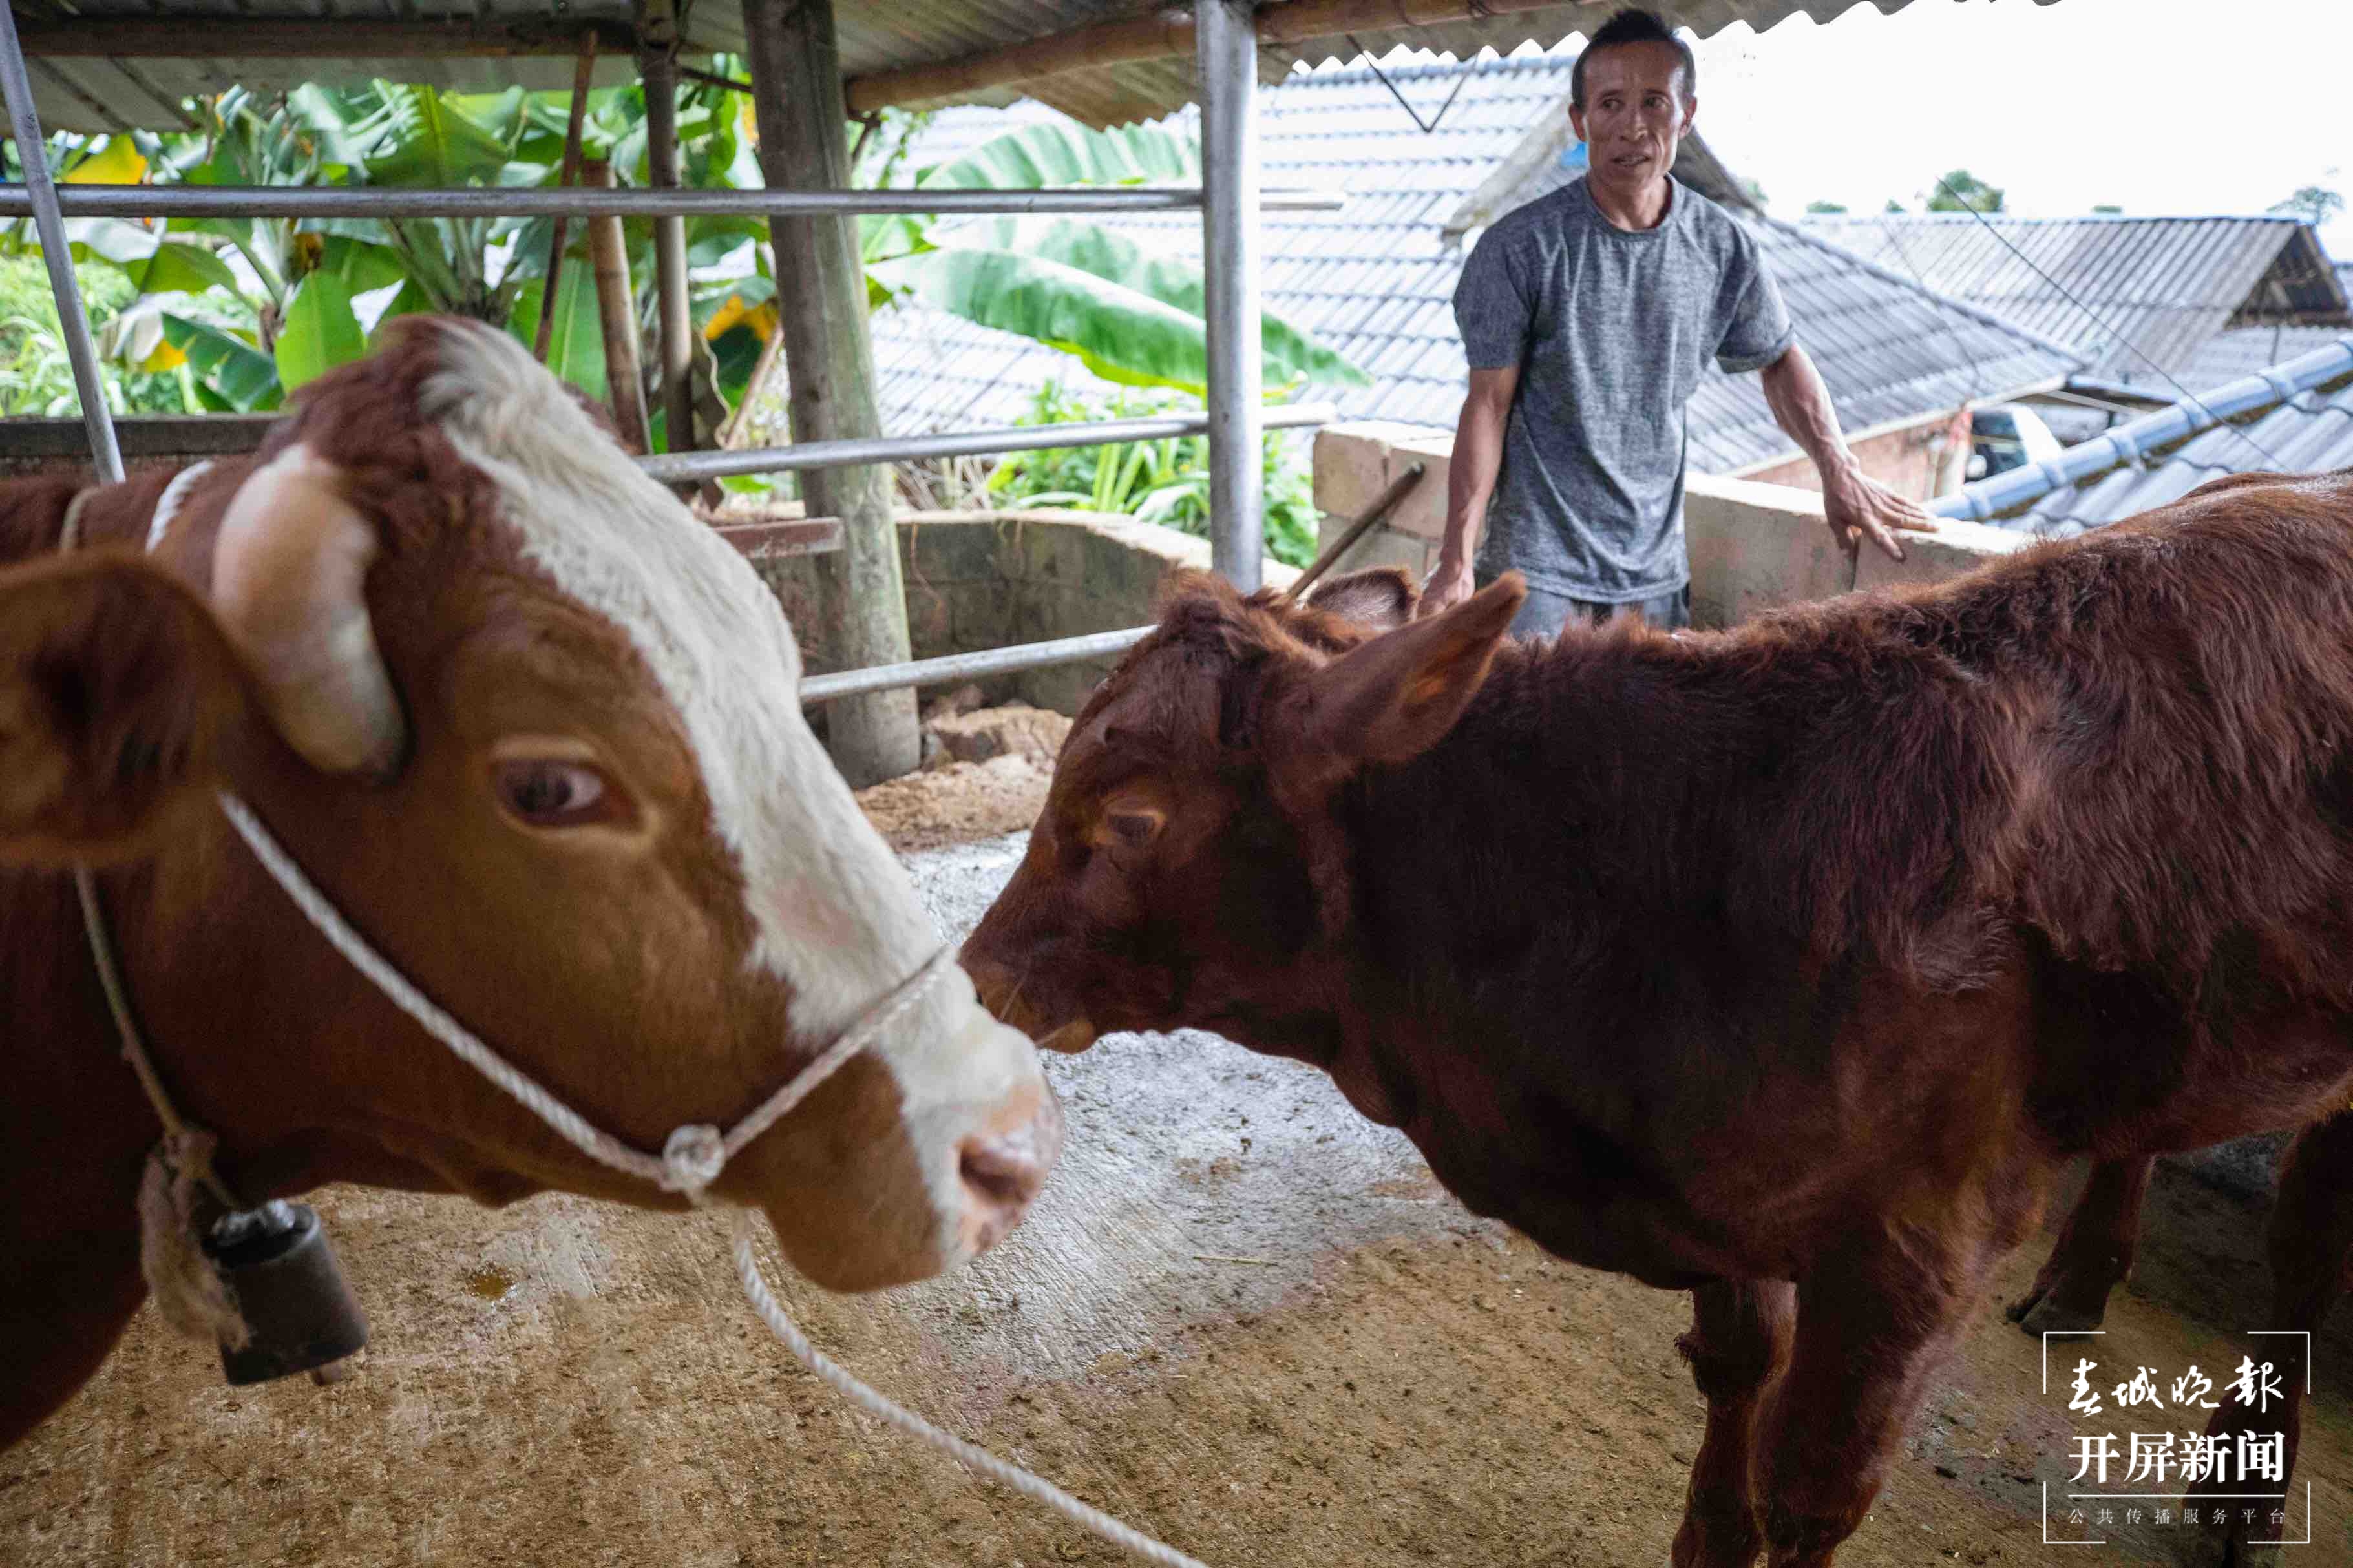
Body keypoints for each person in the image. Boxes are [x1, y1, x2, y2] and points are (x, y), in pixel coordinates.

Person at [1422, 7, 1932, 633]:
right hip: (1534, 576)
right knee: (1525, 731)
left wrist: (1838, 468)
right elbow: (1486, 407)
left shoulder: (1721, 246)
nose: (1630, 127)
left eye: (1653, 103)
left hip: (1655, 580)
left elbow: (1779, 359)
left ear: (1685, 116)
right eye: (1608, 104)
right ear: (1579, 123)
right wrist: (1453, 560)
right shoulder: (1517, 249)